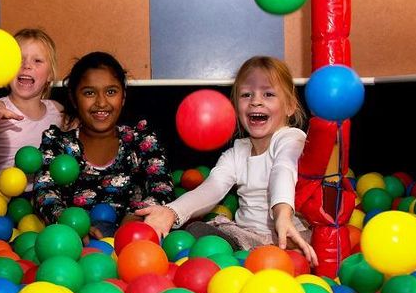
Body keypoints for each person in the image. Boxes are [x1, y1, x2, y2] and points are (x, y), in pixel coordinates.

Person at [138, 56, 318, 265]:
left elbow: (283, 170)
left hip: (289, 236)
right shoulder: (237, 152)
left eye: (268, 94)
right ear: (235, 108)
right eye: (246, 94)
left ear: (290, 106)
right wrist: (172, 211)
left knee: (298, 255)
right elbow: (213, 188)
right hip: (246, 237)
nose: (256, 101)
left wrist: (283, 216)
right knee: (196, 232)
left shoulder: (292, 139)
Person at [32, 51, 174, 238]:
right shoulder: (57, 144)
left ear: (123, 97)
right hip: (76, 243)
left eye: (111, 92)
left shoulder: (141, 140)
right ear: (74, 98)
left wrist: (137, 216)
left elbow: (162, 186)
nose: (101, 102)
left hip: (135, 239)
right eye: (89, 93)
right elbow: (44, 192)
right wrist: (72, 225)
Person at [0, 28, 64, 184]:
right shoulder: (0, 106)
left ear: (50, 74)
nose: (26, 65)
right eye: (18, 60)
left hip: (44, 193)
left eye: (37, 61)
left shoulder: (57, 110)